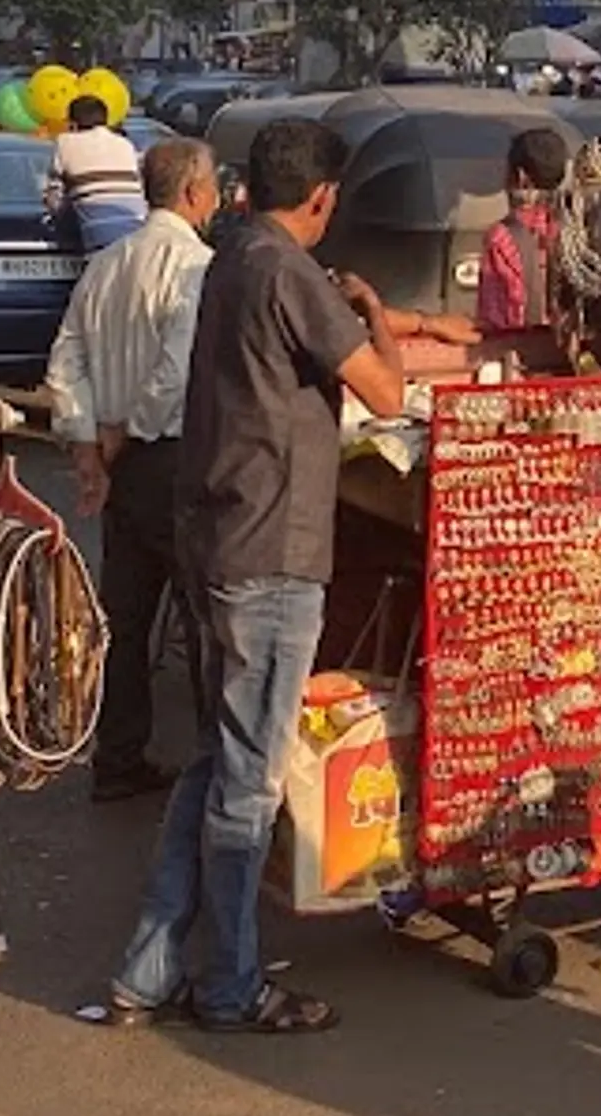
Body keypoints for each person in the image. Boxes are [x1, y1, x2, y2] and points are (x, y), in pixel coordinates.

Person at [101, 118, 406, 1036]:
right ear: (321, 198)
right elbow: (387, 395)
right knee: (248, 780)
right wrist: (380, 317)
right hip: (268, 547)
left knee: (216, 761)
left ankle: (146, 973)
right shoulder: (285, 269)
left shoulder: (232, 256)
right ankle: (230, 985)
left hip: (222, 532)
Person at [46, 139, 220, 804]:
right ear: (195, 193)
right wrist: (119, 436)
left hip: (126, 463)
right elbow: (174, 375)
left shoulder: (109, 263)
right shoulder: (195, 268)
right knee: (202, 618)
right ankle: (208, 767)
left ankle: (118, 756)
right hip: (167, 455)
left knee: (126, 617)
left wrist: (88, 441)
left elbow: (66, 363)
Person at [473, 125, 569, 341]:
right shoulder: (572, 229)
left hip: (525, 354)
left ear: (520, 176)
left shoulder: (501, 238)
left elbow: (494, 321)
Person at [50, 93, 149, 252]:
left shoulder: (65, 143)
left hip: (98, 237)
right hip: (137, 233)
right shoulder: (125, 144)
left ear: (73, 123)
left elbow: (55, 200)